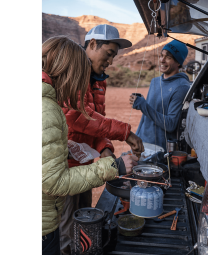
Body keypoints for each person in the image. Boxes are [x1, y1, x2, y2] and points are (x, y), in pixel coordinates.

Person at [41, 35, 138, 255]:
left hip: (81, 168)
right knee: (65, 233)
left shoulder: (53, 100)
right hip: (60, 188)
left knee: (77, 223)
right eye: (77, 78)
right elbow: (53, 182)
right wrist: (115, 166)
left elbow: (96, 123)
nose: (78, 85)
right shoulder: (47, 110)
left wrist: (105, 148)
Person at [129, 39, 190, 152]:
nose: (162, 60)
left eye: (168, 57)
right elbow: (146, 116)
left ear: (178, 62)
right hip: (142, 142)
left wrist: (143, 105)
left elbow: (171, 124)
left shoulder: (182, 87)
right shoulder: (155, 81)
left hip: (159, 150)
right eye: (161, 55)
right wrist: (137, 135)